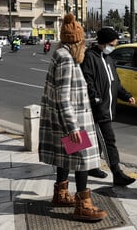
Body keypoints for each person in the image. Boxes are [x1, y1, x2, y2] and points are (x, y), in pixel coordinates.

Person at [38, 13, 107, 222]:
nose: (85, 46)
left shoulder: (63, 54)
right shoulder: (67, 59)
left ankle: (60, 194)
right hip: (73, 121)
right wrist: (73, 128)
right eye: (83, 41)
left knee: (66, 158)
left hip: (64, 120)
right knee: (82, 162)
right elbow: (63, 97)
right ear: (77, 41)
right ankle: (83, 205)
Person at [81, 27, 136, 186]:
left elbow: (115, 83)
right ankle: (117, 173)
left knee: (96, 140)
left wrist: (126, 95)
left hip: (108, 107)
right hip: (98, 108)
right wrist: (96, 101)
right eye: (112, 43)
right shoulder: (90, 58)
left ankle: (91, 167)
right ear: (103, 43)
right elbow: (88, 82)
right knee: (108, 140)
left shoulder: (109, 59)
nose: (115, 46)